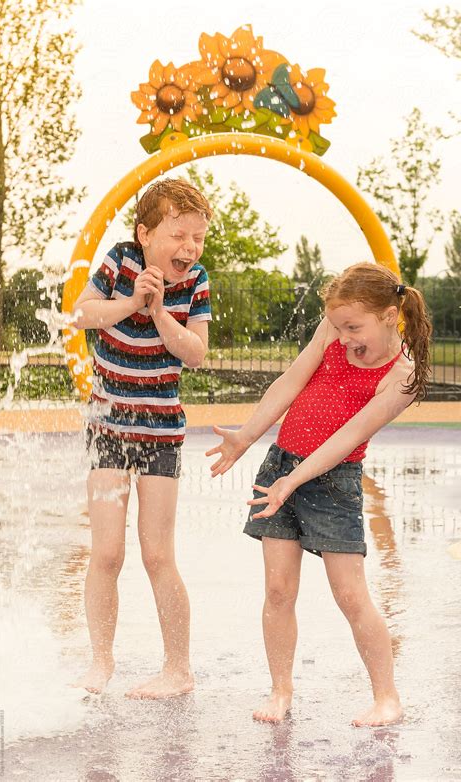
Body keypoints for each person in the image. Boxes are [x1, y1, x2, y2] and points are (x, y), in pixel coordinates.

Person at [206, 262, 432, 726]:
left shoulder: (401, 377)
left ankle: (387, 697)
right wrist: (247, 437)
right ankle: (281, 691)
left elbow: (347, 438)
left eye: (354, 326)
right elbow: (290, 381)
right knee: (277, 589)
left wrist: (295, 482)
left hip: (332, 480)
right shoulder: (332, 327)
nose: (345, 336)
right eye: (340, 325)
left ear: (390, 315)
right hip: (282, 464)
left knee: (350, 596)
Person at [71, 178, 212, 698]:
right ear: (145, 232)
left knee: (158, 554)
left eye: (197, 238)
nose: (190, 249)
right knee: (106, 552)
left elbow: (195, 353)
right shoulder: (120, 261)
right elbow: (82, 314)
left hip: (160, 435)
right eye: (179, 236)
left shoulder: (196, 282)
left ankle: (179, 668)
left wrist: (157, 314)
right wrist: (131, 301)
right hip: (108, 430)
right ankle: (100, 663)